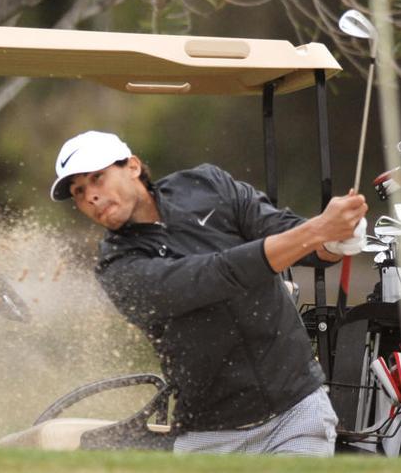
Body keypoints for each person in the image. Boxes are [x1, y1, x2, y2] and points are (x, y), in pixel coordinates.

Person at [50, 130, 367, 456]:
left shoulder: (207, 185)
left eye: (97, 178)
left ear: (131, 166)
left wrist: (335, 240)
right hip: (210, 436)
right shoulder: (116, 266)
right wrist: (317, 230)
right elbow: (215, 276)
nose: (90, 196)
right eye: (78, 191)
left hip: (296, 413)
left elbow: (289, 234)